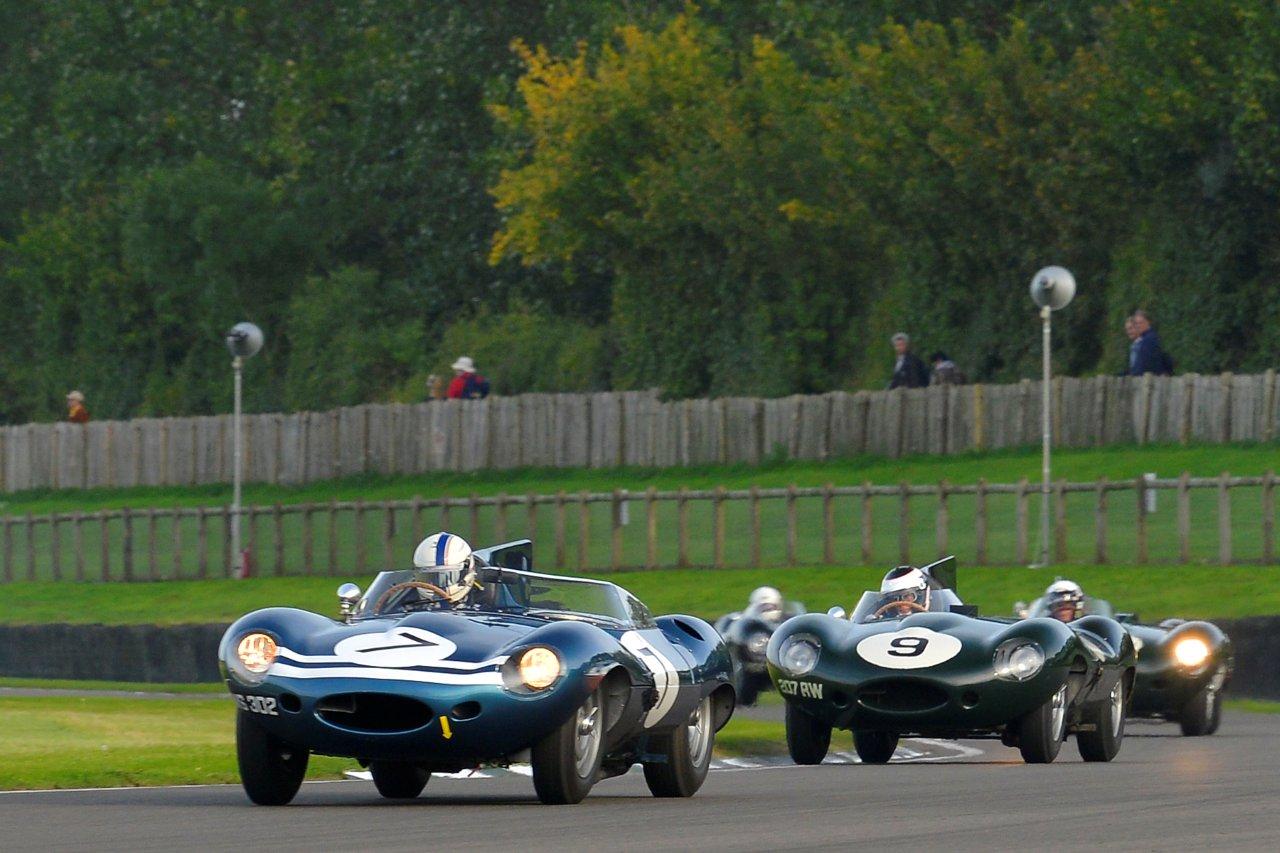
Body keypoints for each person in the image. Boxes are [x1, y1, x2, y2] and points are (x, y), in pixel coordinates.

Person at [866, 565, 932, 620]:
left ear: (921, 595)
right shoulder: (883, 620)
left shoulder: (935, 618)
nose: (900, 603)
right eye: (894, 598)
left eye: (906, 596)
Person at [1128, 310, 1173, 376]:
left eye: (1140, 323)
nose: (1138, 326)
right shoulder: (1145, 338)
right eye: (1136, 324)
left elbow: (1146, 363)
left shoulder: (1149, 339)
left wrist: (1135, 374)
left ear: (1148, 322)